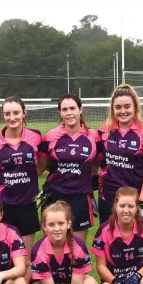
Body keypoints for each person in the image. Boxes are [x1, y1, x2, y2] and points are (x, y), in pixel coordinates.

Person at [0, 96, 42, 284]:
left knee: (25, 259)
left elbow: (42, 163)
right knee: (6, 259)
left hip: (27, 205)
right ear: (3, 116)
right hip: (3, 207)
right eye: (8, 114)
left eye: (16, 113)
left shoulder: (36, 138)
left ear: (24, 113)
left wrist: (28, 183)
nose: (12, 118)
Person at [38, 93, 102, 243]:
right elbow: (42, 166)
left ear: (80, 110)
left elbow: (96, 163)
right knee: (53, 249)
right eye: (64, 109)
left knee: (78, 249)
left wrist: (90, 183)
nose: (69, 113)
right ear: (60, 112)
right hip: (55, 196)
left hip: (80, 198)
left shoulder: (93, 136)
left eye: (72, 108)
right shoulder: (49, 137)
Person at [29, 201, 99, 284]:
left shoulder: (78, 246)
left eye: (61, 223)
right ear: (44, 227)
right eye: (51, 224)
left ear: (69, 224)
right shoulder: (38, 250)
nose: (57, 228)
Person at [98, 84, 143, 224]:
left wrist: (141, 203)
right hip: (108, 198)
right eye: (118, 107)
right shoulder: (103, 131)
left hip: (136, 199)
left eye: (127, 106)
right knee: (109, 241)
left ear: (135, 107)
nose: (123, 111)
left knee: (142, 243)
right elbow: (97, 161)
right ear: (112, 109)